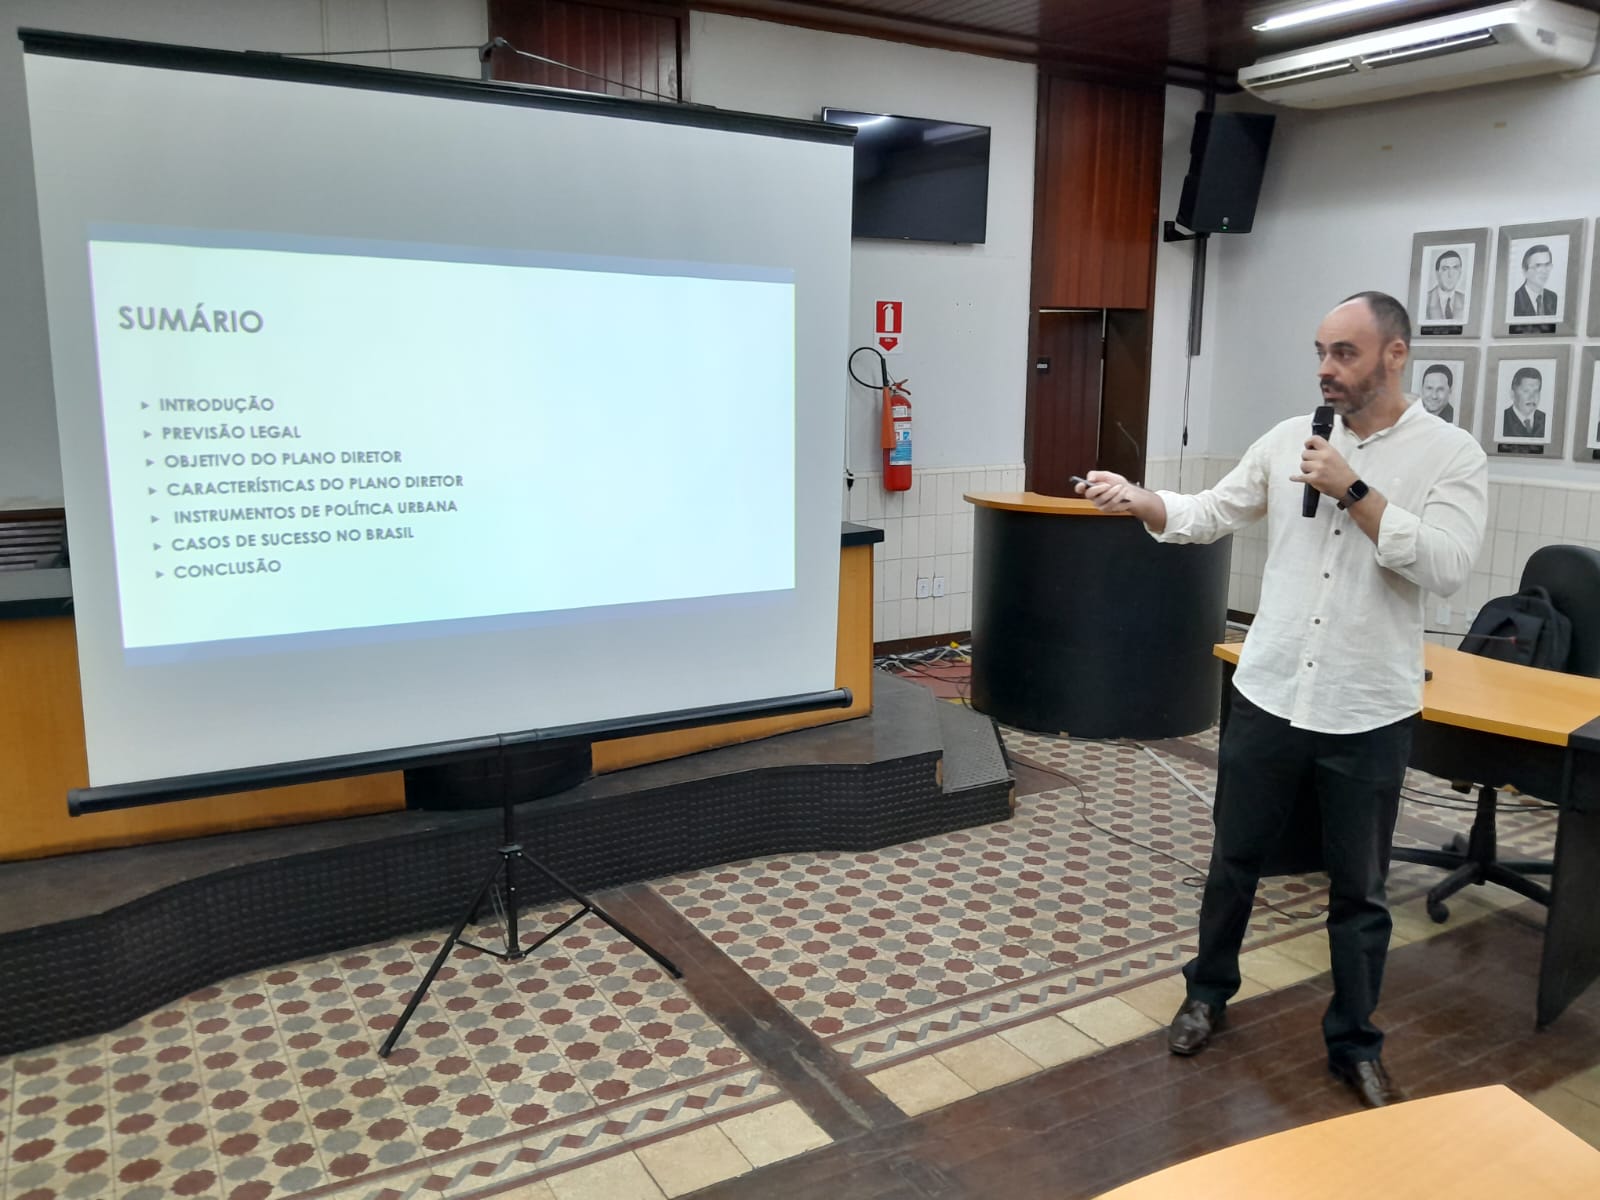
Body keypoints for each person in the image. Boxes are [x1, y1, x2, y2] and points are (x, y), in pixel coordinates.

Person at [1077, 291, 1487, 1109]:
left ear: (1395, 354)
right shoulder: (1288, 438)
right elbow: (1209, 512)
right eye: (1321, 352)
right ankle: (1206, 994)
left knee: (1360, 891)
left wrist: (1354, 489)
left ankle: (1354, 1042)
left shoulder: (1451, 454)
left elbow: (1445, 566)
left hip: (1367, 707)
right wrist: (1140, 498)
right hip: (1270, 692)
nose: (1326, 369)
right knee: (1234, 862)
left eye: (1345, 353)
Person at [1512, 244, 1558, 318]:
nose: (1544, 271)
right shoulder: (1514, 301)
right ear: (1524, 271)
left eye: (1547, 265)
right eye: (1538, 266)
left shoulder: (1553, 298)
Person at [1501, 367, 1546, 439]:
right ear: (1512, 394)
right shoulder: (1502, 420)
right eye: (1526, 391)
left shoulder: (1545, 419)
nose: (1532, 397)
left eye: (1536, 391)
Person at [1423, 250, 1467, 322]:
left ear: (1460, 273)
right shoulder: (1425, 300)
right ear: (1437, 273)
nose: (1450, 275)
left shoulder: (1466, 300)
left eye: (1455, 268)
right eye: (1445, 269)